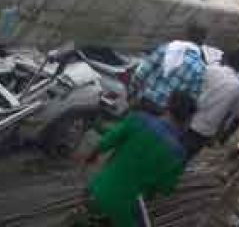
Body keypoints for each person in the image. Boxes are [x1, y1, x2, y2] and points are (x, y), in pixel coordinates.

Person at [83, 90, 197, 226]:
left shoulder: (138, 120)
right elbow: (165, 188)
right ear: (187, 120)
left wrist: (90, 158)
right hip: (122, 211)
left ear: (167, 105)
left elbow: (103, 144)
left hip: (96, 191)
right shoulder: (178, 154)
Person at [183, 49, 239, 158]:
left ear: (226, 59)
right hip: (205, 130)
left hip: (186, 117)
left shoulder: (209, 69)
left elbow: (191, 87)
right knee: (185, 157)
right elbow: (237, 113)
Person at [129, 24, 208, 114]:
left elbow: (141, 73)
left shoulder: (167, 49)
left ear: (187, 35)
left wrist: (132, 94)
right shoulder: (200, 68)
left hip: (143, 102)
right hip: (164, 114)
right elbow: (192, 98)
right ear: (202, 41)